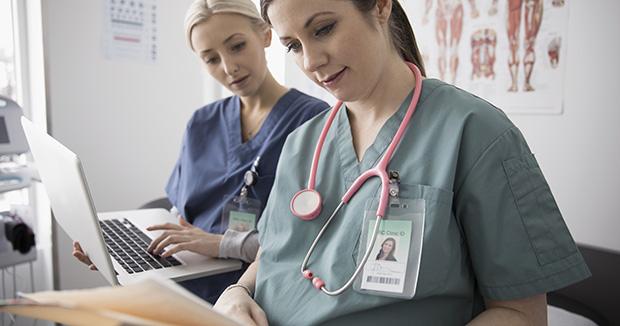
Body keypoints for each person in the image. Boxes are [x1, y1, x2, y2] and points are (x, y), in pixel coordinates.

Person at [213, 0, 590, 325]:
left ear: (380, 6)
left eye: (324, 28)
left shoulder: (476, 133)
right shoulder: (301, 144)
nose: (311, 61)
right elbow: (277, 252)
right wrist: (237, 291)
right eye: (293, 45)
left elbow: (521, 314)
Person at [72, 0, 328, 304]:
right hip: (180, 282)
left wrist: (220, 244)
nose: (228, 67)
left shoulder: (312, 121)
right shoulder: (202, 123)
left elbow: (307, 241)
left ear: (265, 35)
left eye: (237, 46)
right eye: (210, 58)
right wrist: (119, 255)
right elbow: (181, 213)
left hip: (249, 294)